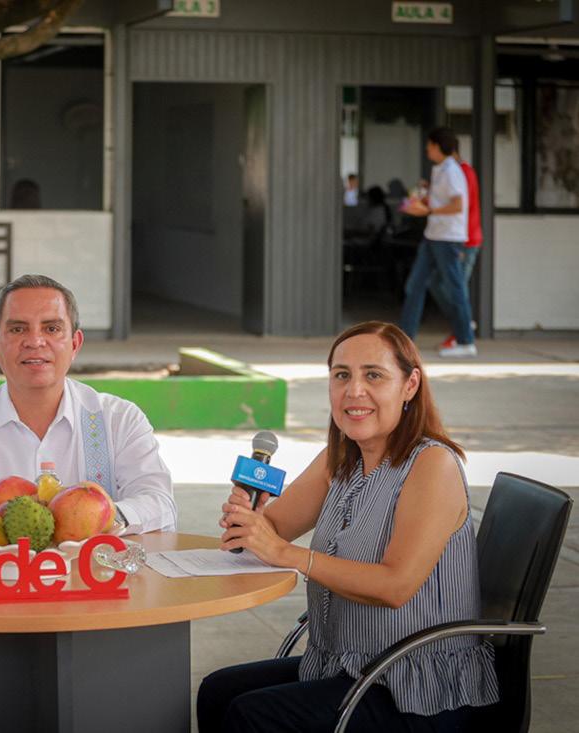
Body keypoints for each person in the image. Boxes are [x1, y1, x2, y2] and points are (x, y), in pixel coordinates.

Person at [196, 321, 498, 733]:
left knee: (252, 716)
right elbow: (273, 531)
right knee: (217, 691)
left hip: (416, 686)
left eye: (373, 375)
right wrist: (250, 519)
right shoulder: (340, 457)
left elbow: (395, 586)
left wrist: (285, 553)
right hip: (347, 667)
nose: (354, 391)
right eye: (342, 375)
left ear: (410, 385)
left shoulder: (432, 464)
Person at [0, 274, 177, 536]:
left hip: (94, 577)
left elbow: (160, 503)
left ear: (75, 344)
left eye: (52, 328)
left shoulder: (119, 419)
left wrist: (97, 518)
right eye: (17, 329)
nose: (35, 341)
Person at [398, 127, 477, 357]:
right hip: (433, 236)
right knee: (415, 285)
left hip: (448, 239)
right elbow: (440, 201)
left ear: (437, 145)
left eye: (429, 145)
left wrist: (429, 210)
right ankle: (404, 340)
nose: (426, 149)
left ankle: (466, 341)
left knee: (455, 289)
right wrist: (422, 201)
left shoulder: (452, 171)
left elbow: (458, 205)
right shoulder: (440, 169)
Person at [429, 147, 482, 351]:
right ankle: (463, 325)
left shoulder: (460, 173)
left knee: (456, 290)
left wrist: (459, 243)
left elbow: (461, 208)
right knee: (440, 284)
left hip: (464, 240)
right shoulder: (459, 172)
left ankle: (463, 333)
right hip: (460, 239)